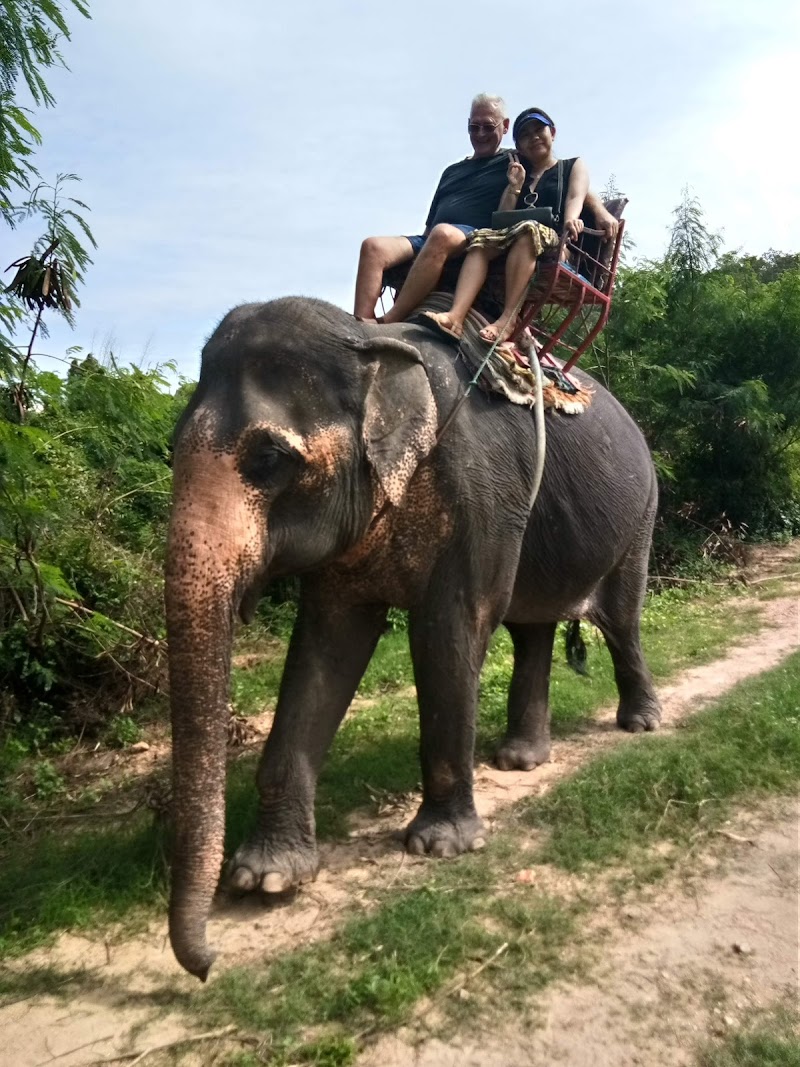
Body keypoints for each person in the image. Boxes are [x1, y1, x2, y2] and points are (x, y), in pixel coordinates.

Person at [422, 107, 593, 344]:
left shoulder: (571, 166)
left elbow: (577, 196)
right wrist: (514, 187)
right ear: (519, 146)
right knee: (481, 239)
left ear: (552, 132)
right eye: (525, 135)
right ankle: (456, 316)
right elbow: (501, 218)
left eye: (538, 130)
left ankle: (508, 318)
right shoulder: (519, 172)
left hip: (556, 241)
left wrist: (572, 219)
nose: (533, 137)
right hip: (517, 236)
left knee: (528, 231)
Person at [353, 93, 513, 324]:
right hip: (434, 237)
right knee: (373, 247)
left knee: (442, 233)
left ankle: (390, 320)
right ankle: (361, 323)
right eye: (474, 127)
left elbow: (554, 168)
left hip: (476, 238)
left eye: (488, 127)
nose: (480, 134)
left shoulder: (512, 161)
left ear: (505, 126)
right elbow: (430, 226)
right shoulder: (451, 171)